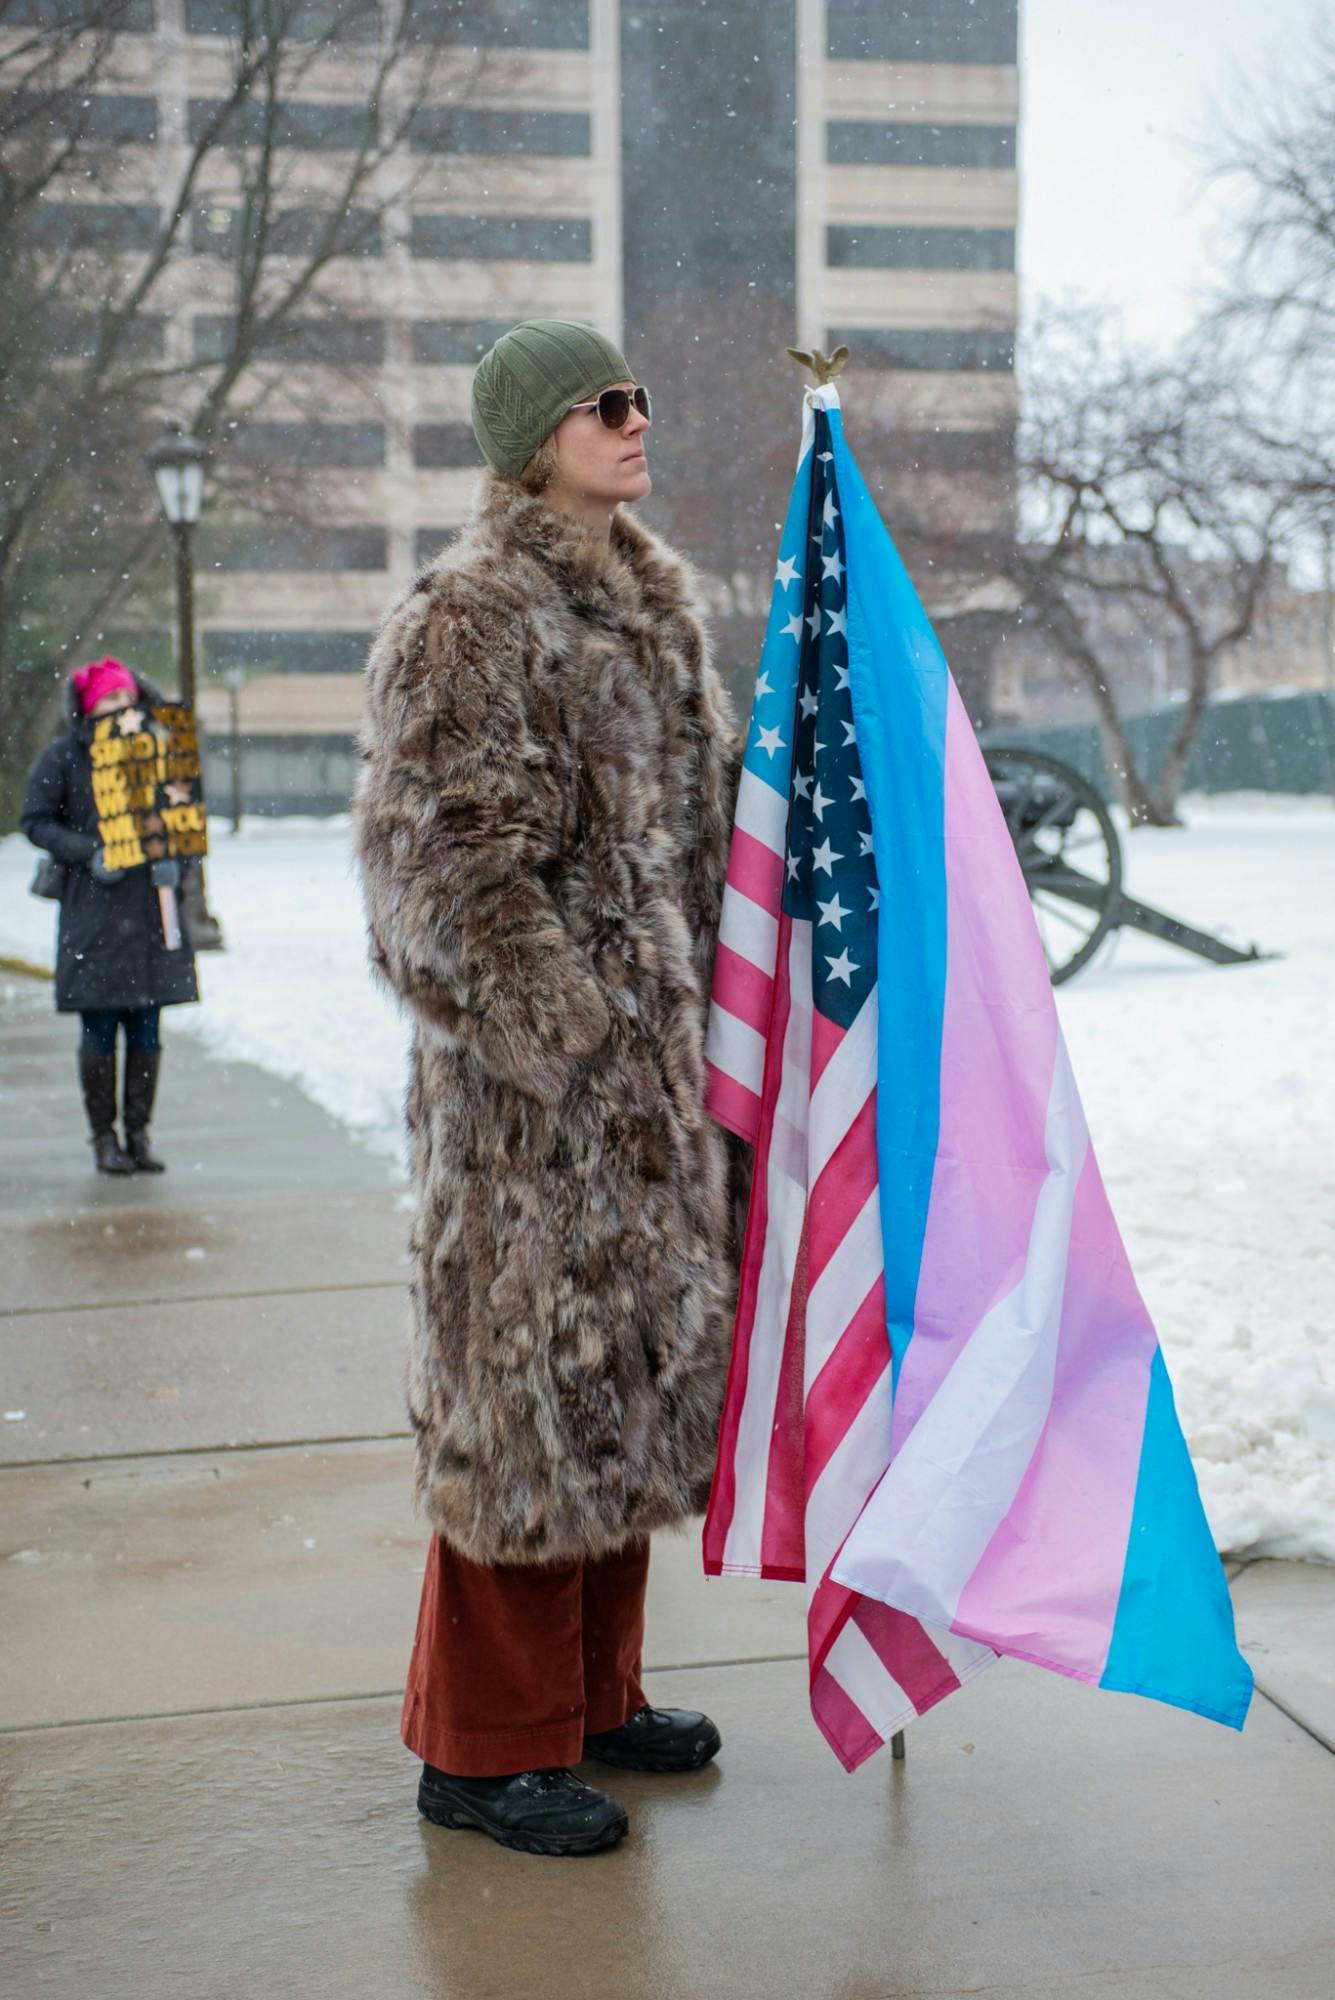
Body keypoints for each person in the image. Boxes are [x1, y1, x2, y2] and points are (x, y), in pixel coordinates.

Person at [355, 320, 747, 1857]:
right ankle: (478, 1751)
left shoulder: (648, 610)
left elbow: (700, 836)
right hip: (539, 1111)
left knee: (622, 1387)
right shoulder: (472, 618)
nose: (637, 418)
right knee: (521, 1411)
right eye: (605, 404)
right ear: (533, 440)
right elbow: (439, 875)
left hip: (655, 1095)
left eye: (640, 395)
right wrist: (572, 1045)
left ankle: (590, 1700)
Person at [21, 658, 197, 1174]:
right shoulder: (64, 756)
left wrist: (177, 862)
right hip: (93, 917)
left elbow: (183, 817)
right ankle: (104, 1138)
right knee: (99, 1033)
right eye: (109, 701)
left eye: (126, 699)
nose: (121, 709)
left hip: (151, 914)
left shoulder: (161, 749)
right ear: (90, 707)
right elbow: (35, 820)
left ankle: (139, 1135)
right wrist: (88, 851)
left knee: (147, 1033)